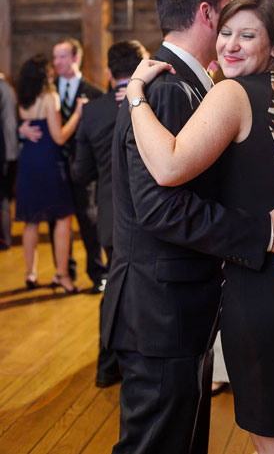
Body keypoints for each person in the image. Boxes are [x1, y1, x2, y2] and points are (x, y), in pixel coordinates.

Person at [100, 0, 274, 454]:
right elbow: (160, 210)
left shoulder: (193, 85)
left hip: (177, 302)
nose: (233, 28)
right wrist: (262, 232)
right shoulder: (170, 89)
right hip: (159, 309)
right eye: (228, 12)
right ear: (207, 13)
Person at [73, 39, 148, 388]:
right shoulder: (151, 103)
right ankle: (140, 362)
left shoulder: (92, 112)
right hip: (151, 214)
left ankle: (108, 366)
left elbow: (82, 173)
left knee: (115, 290)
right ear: (142, 65)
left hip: (110, 216)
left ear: (107, 72)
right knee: (147, 289)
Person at [15, 54, 84, 292]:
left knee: (31, 220)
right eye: (49, 69)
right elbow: (59, 136)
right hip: (48, 162)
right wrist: (77, 113)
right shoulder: (49, 97)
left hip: (28, 162)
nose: (53, 71)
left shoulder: (24, 99)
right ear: (43, 75)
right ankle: (62, 275)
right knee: (63, 217)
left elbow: (25, 128)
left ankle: (30, 273)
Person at [51, 37, 106, 288]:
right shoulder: (48, 90)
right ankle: (64, 272)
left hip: (84, 168)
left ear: (75, 58)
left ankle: (98, 274)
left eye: (62, 56)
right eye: (54, 57)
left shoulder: (95, 93)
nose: (56, 62)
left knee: (88, 220)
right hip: (54, 167)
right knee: (58, 221)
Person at [0, 72, 18, 250]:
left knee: (2, 196)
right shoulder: (8, 88)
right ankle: (5, 238)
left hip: (3, 150)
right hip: (10, 150)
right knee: (4, 195)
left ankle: (4, 239)